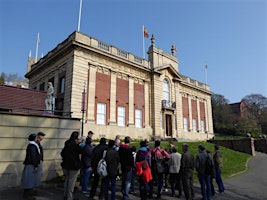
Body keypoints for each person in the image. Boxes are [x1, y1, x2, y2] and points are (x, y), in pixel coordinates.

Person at [61, 131, 83, 200]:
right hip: (74, 166)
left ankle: (65, 195)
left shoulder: (67, 143)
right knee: (71, 182)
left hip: (66, 165)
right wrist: (78, 144)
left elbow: (62, 153)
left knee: (67, 180)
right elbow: (81, 151)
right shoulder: (75, 145)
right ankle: (69, 197)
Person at [21, 134, 42, 200]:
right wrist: (35, 165)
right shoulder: (32, 146)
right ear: (34, 138)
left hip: (31, 164)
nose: (37, 138)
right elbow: (33, 156)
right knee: (29, 180)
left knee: (30, 179)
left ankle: (28, 194)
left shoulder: (33, 145)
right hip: (31, 164)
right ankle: (27, 196)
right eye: (36, 137)